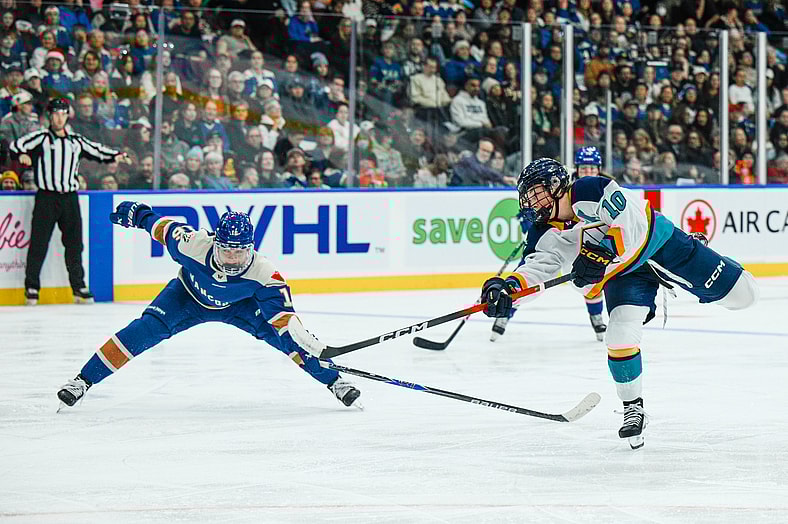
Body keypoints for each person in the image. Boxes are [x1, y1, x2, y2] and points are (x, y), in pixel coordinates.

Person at [479, 157, 758, 449]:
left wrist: (601, 250)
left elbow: (631, 223)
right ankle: (632, 408)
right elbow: (536, 269)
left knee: (744, 296)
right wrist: (508, 289)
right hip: (624, 275)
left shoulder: (589, 190)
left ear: (555, 184)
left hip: (659, 244)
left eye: (536, 193)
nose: (532, 203)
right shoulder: (542, 232)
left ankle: (719, 261)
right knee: (619, 334)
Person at [56, 207, 361, 410]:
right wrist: (139, 214)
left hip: (240, 307)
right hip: (185, 297)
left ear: (251, 248)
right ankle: (82, 380)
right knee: (141, 331)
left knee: (287, 342)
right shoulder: (192, 243)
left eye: (239, 252)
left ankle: (334, 381)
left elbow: (285, 320)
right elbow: (160, 227)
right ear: (216, 242)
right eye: (226, 250)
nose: (232, 259)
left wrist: (306, 340)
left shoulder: (265, 274)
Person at [9, 98, 130, 306]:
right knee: (39, 243)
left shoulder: (76, 141)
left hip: (69, 198)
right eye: (55, 113)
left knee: (75, 244)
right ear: (49, 116)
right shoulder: (41, 138)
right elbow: (16, 145)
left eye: (63, 113)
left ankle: (79, 287)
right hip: (46, 197)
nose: (59, 117)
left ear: (67, 116)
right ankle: (32, 287)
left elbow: (97, 151)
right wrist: (22, 155)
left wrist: (116, 155)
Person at [489, 147, 608, 342]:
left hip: (584, 242)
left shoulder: (598, 189)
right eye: (584, 168)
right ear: (576, 168)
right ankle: (505, 313)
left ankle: (597, 318)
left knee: (591, 276)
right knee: (526, 271)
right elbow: (537, 203)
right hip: (553, 241)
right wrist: (535, 222)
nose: (588, 172)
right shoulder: (559, 183)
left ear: (598, 169)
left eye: (592, 168)